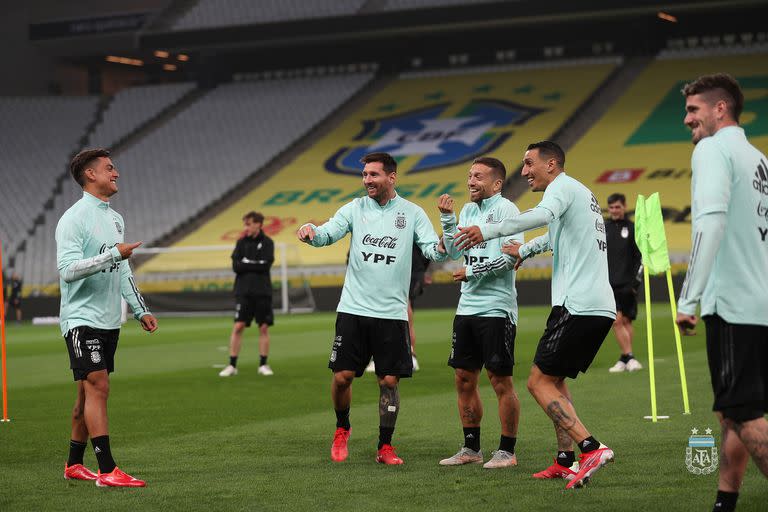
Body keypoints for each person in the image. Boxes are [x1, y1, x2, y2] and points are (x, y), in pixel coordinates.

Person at [454, 141, 616, 489]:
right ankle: (565, 460)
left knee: (537, 382)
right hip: (593, 305)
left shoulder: (561, 188)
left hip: (578, 305)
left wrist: (490, 230)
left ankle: (590, 448)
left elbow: (542, 216)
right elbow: (552, 235)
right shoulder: (579, 193)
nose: (524, 171)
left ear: (552, 164)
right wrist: (525, 250)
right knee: (554, 382)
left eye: (529, 164)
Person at [297, 152, 446, 465]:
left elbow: (433, 248)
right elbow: (327, 233)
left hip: (392, 313)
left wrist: (446, 240)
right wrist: (311, 231)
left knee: (389, 382)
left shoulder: (413, 213)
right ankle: (342, 428)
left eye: (374, 175)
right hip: (353, 308)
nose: (367, 181)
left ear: (391, 177)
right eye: (364, 175)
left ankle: (385, 446)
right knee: (342, 377)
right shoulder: (354, 207)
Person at [675, 73, 768, 512]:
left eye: (693, 110)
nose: (687, 118)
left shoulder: (711, 149)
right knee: (733, 410)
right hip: (759, 303)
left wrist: (688, 300)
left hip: (732, 303)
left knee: (744, 413)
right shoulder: (758, 159)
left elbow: (709, 222)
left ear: (719, 109)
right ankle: (724, 503)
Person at [56, 148, 158, 487]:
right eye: (109, 168)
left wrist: (140, 309)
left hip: (108, 318)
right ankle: (107, 470)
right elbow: (68, 271)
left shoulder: (115, 219)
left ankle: (73, 463)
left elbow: (123, 269)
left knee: (87, 395)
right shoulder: (73, 218)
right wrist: (114, 253)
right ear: (90, 175)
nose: (116, 173)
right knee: (98, 385)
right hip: (80, 317)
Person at [437, 156, 523, 469]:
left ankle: (507, 451)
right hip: (467, 307)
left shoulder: (507, 211)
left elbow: (511, 258)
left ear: (497, 183)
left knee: (500, 380)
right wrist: (448, 219)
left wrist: (472, 273)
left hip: (497, 307)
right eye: (469, 175)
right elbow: (455, 250)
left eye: (478, 176)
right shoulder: (469, 210)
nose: (471, 181)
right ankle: (471, 448)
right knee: (463, 378)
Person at [219, 211, 275, 377]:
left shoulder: (268, 243)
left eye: (249, 224)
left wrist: (247, 263)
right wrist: (254, 264)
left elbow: (266, 266)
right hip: (243, 291)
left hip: (263, 291)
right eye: (245, 224)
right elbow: (236, 266)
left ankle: (263, 364)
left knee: (263, 327)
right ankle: (232, 365)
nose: (246, 227)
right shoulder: (241, 242)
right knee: (238, 326)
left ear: (258, 224)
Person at [366, 243, 429, 373]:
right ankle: (382, 355)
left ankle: (410, 354)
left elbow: (426, 247)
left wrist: (422, 271)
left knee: (406, 306)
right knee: (391, 308)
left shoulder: (410, 224)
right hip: (393, 269)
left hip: (411, 271)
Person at [605, 193, 643, 373]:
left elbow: (639, 258)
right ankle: (630, 357)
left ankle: (624, 358)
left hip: (628, 284)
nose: (614, 210)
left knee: (626, 321)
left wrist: (635, 284)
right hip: (608, 284)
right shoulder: (603, 228)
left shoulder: (634, 228)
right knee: (616, 321)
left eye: (617, 207)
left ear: (624, 207)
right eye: (611, 207)